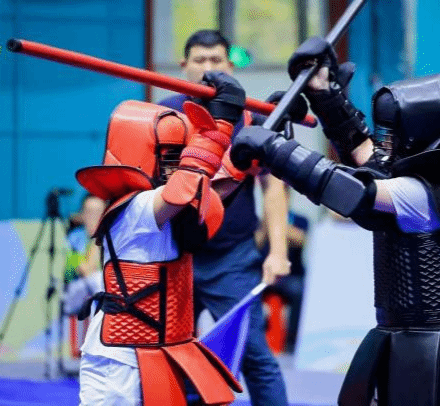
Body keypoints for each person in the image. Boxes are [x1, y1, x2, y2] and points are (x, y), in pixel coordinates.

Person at [231, 37, 440, 406]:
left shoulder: (419, 192)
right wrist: (325, 93)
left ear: (413, 136)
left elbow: (351, 190)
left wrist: (275, 149)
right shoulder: (419, 178)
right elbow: (366, 154)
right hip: (414, 333)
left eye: (391, 133)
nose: (384, 143)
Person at [75, 71, 250, 405]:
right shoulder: (138, 207)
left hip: (158, 347)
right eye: (169, 156)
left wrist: (249, 146)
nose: (175, 165)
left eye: (179, 155)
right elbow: (185, 187)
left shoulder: (161, 208)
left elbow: (211, 187)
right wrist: (220, 127)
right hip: (120, 357)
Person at [158, 29, 290, 406]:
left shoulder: (251, 118)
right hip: (174, 255)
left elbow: (273, 186)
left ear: (230, 65)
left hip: (232, 258)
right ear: (183, 65)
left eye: (216, 60)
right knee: (168, 354)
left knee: (255, 355)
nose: (208, 68)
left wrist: (278, 252)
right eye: (199, 60)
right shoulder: (164, 115)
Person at [255, 186, 308, 354]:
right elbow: (256, 244)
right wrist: (267, 224)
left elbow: (301, 239)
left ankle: (292, 341)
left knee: (299, 292)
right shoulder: (259, 221)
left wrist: (277, 223)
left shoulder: (300, 219)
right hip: (264, 275)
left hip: (290, 276)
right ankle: (254, 338)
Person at [62, 194, 106, 316]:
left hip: (97, 293)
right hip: (74, 292)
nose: (94, 217)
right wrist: (96, 239)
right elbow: (85, 270)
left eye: (98, 212)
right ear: (82, 215)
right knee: (97, 278)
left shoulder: (111, 236)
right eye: (89, 212)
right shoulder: (74, 237)